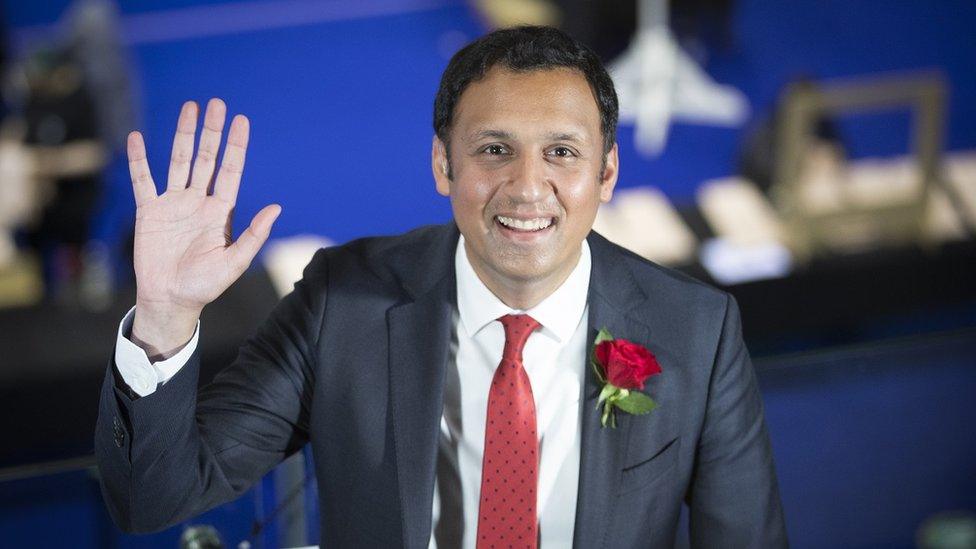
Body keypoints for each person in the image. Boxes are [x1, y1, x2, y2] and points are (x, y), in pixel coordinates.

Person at [96, 26, 787, 548]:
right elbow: (154, 496)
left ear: (606, 173)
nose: (526, 186)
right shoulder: (343, 300)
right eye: (493, 149)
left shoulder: (697, 328)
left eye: (562, 153)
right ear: (441, 163)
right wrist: (164, 316)